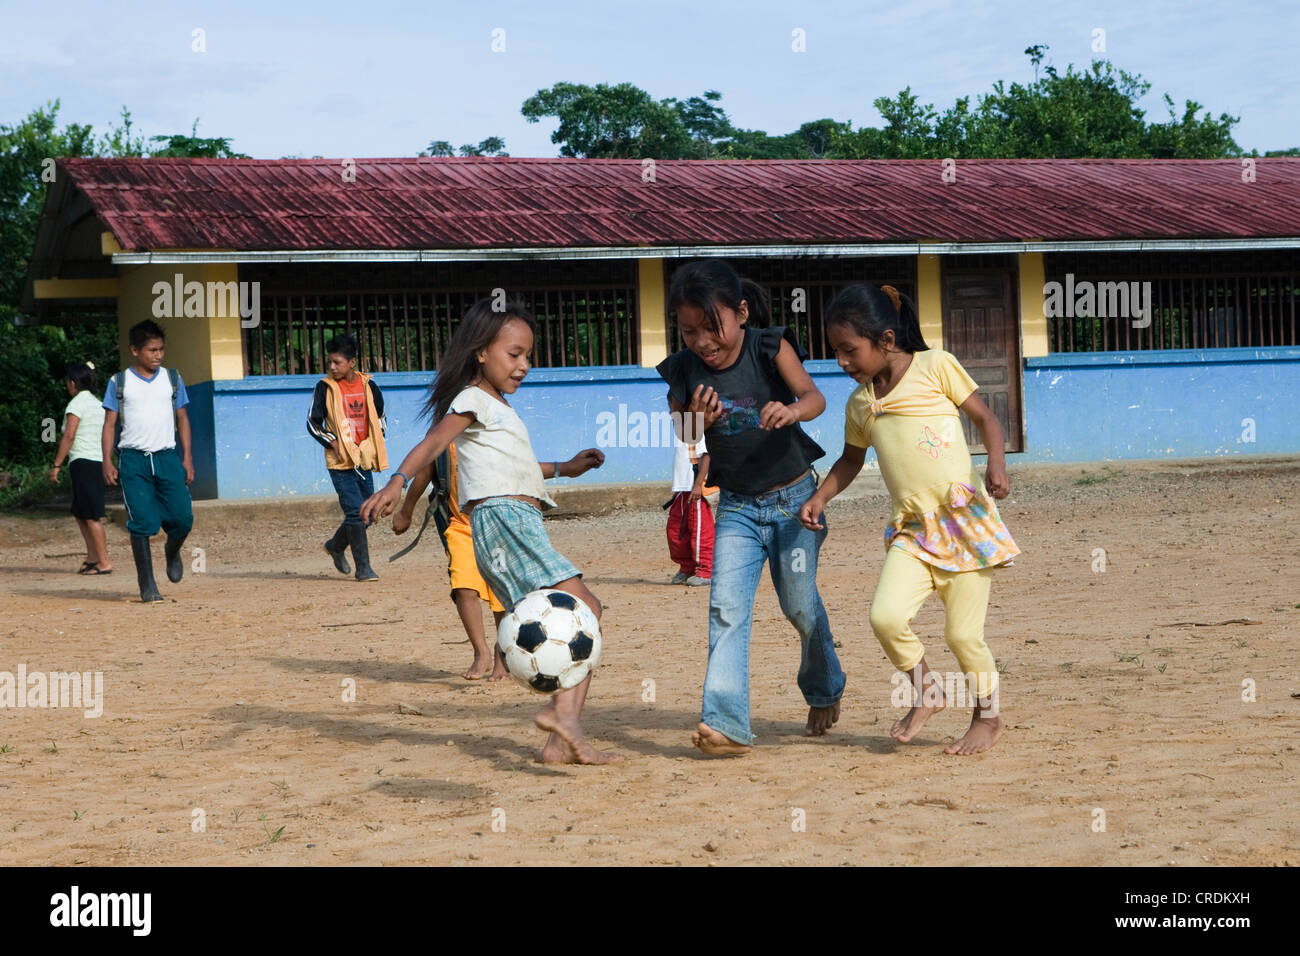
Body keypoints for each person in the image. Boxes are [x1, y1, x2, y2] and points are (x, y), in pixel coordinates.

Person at [360, 296, 611, 765]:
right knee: (588, 608)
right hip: (506, 521)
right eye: (513, 355)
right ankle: (564, 722)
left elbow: (515, 466)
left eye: (528, 356)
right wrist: (397, 483)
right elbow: (433, 444)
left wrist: (566, 468)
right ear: (481, 352)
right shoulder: (472, 399)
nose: (524, 366)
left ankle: (559, 741)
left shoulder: (494, 407)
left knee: (583, 611)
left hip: (513, 519)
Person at [799, 284, 1020, 756]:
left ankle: (989, 717)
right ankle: (928, 691)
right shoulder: (860, 404)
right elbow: (850, 461)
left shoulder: (936, 366)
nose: (841, 362)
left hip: (963, 523)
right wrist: (821, 497)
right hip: (912, 530)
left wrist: (996, 463)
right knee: (885, 616)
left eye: (848, 350)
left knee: (963, 635)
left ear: (885, 339)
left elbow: (987, 420)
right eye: (835, 352)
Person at [656, 259, 846, 757]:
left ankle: (826, 686)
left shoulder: (769, 346)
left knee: (800, 606)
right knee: (725, 610)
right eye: (690, 330)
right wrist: (695, 421)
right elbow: (686, 441)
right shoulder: (682, 370)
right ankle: (726, 723)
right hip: (737, 508)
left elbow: (814, 396)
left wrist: (792, 410)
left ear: (740, 313)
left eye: (712, 327)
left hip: (795, 501)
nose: (702, 342)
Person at [392, 445, 508, 680]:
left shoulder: (496, 431)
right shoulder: (444, 436)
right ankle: (480, 651)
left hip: (499, 525)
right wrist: (406, 510)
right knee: (463, 586)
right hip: (460, 526)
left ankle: (502, 653)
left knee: (502, 593)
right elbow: (424, 473)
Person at [101, 319, 194, 604]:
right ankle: (148, 584)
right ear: (135, 350)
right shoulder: (120, 383)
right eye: (152, 350)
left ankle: (172, 550)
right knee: (142, 521)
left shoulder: (172, 379)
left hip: (167, 458)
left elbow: (182, 419)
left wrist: (187, 457)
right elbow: (109, 424)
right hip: (134, 460)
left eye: (161, 350)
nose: (158, 355)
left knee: (182, 518)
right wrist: (106, 460)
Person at [307, 333, 387, 582]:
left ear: (352, 362)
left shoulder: (369, 385)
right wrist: (331, 441)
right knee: (355, 511)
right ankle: (364, 569)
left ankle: (335, 546)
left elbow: (381, 417)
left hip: (363, 458)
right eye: (329, 362)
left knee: (369, 513)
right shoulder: (324, 387)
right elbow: (312, 422)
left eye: (337, 362)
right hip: (340, 461)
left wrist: (375, 443)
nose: (332, 367)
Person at [50, 362, 111, 574]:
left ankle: (104, 562)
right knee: (80, 512)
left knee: (91, 514)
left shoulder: (76, 404)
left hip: (84, 462)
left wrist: (56, 464)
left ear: (73, 383)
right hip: (97, 462)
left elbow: (69, 435)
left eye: (68, 382)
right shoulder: (98, 404)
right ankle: (92, 557)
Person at [665, 432, 713, 586]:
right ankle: (687, 567)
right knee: (676, 529)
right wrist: (678, 489)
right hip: (683, 489)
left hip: (695, 488)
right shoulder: (682, 430)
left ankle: (706, 571)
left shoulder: (696, 427)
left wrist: (698, 485)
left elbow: (706, 456)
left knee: (700, 532)